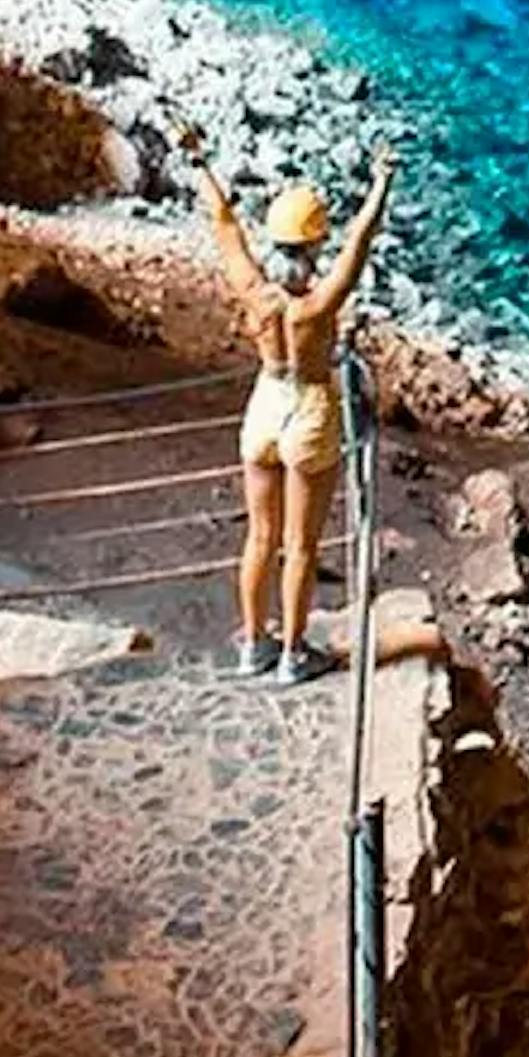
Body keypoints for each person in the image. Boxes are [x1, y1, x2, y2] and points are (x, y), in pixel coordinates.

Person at [174, 124, 396, 684]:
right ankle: (294, 654)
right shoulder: (318, 305)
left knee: (259, 537)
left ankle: (254, 644)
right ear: (314, 244)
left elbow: (224, 224)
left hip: (265, 403)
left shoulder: (255, 291)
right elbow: (360, 242)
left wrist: (199, 162)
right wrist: (381, 183)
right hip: (311, 408)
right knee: (300, 546)